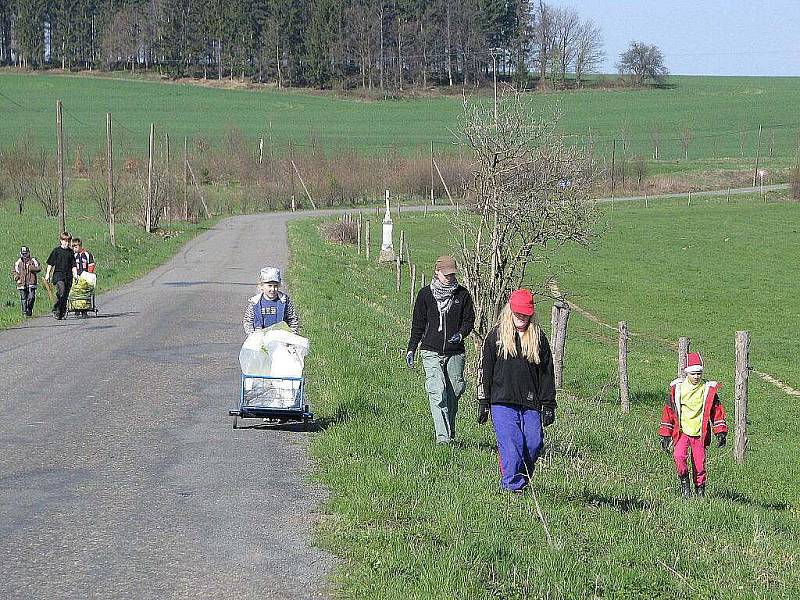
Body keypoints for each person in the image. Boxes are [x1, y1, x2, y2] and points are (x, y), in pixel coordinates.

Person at [478, 289, 556, 493]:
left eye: (526, 313)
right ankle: (512, 487)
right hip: (501, 402)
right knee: (512, 447)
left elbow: (547, 373)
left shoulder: (539, 339)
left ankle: (520, 477)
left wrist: (548, 405)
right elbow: (485, 370)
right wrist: (483, 401)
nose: (522, 317)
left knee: (533, 443)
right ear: (510, 310)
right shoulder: (495, 336)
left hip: (530, 402)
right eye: (518, 312)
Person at [406, 255, 475, 445]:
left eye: (452, 274)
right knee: (437, 391)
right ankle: (442, 439)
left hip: (455, 352)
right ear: (436, 272)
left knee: (454, 393)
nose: (449, 278)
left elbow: (469, 321)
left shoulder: (463, 295)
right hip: (431, 350)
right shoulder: (425, 295)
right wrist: (412, 348)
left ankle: (450, 433)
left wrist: (461, 334)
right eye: (446, 274)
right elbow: (418, 324)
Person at [658, 352, 728, 498]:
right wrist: (665, 435)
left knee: (699, 464)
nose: (696, 377)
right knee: (678, 456)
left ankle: (700, 491)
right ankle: (685, 484)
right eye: (693, 373)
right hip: (682, 432)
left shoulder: (708, 390)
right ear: (687, 373)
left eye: (699, 373)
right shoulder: (678, 389)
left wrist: (720, 431)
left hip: (699, 433)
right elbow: (669, 412)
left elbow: (716, 411)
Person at [242, 267, 300, 335]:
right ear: (261, 286)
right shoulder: (255, 302)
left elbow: (293, 319)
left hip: (281, 337)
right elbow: (248, 321)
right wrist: (252, 335)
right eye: (269, 286)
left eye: (275, 286)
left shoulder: (284, 301)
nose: (273, 289)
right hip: (260, 338)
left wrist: (292, 334)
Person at [44, 232, 78, 320]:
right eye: (64, 240)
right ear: (61, 241)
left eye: (68, 241)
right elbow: (50, 263)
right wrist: (47, 274)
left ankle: (61, 312)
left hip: (68, 276)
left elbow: (73, 265)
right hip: (59, 275)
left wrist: (75, 275)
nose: (66, 242)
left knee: (65, 295)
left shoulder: (71, 252)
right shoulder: (56, 251)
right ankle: (56, 309)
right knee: (61, 291)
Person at [10, 246, 41, 317]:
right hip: (21, 283)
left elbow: (39, 268)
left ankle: (29, 310)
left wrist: (32, 268)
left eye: (26, 253)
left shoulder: (33, 260)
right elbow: (14, 270)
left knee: (31, 297)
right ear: (21, 254)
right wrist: (17, 278)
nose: (24, 255)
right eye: (23, 253)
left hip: (31, 282)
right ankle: (24, 313)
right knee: (23, 299)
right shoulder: (19, 262)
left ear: (29, 253)